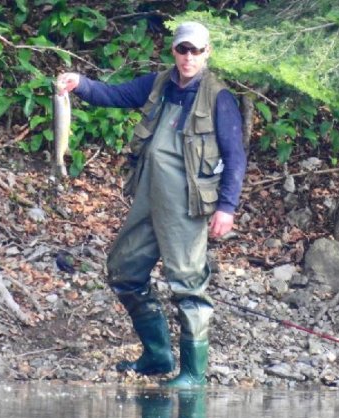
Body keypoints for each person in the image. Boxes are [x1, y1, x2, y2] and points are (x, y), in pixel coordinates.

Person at [57, 22, 246, 388]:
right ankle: (157, 355)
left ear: (207, 53)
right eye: (182, 50)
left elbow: (236, 156)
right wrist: (78, 84)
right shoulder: (158, 83)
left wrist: (227, 207)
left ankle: (192, 373)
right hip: (147, 198)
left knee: (188, 284)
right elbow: (112, 95)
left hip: (188, 205)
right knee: (124, 270)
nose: (188, 57)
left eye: (196, 51)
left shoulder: (219, 97)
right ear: (173, 51)